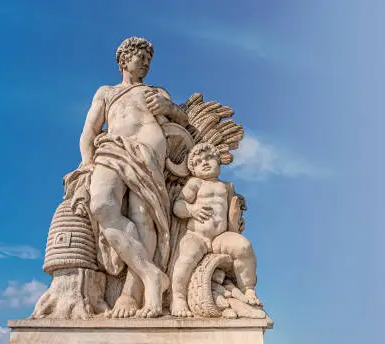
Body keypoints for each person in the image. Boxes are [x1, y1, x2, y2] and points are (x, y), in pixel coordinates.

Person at [78, 37, 188, 318]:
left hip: (150, 149)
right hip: (113, 147)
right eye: (142, 58)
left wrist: (170, 109)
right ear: (124, 60)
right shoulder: (107, 92)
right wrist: (87, 162)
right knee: (102, 205)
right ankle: (151, 274)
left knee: (142, 216)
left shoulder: (156, 91)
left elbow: (181, 121)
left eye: (149, 60)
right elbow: (90, 131)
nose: (147, 64)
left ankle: (132, 292)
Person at [169, 143, 261, 317]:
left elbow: (231, 215)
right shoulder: (195, 183)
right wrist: (192, 210)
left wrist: (236, 225)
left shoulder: (227, 187)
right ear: (193, 169)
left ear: (219, 162)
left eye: (209, 158)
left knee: (243, 247)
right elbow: (177, 207)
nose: (204, 163)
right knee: (185, 261)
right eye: (198, 161)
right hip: (197, 235)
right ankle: (178, 298)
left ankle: (248, 289)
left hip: (220, 237)